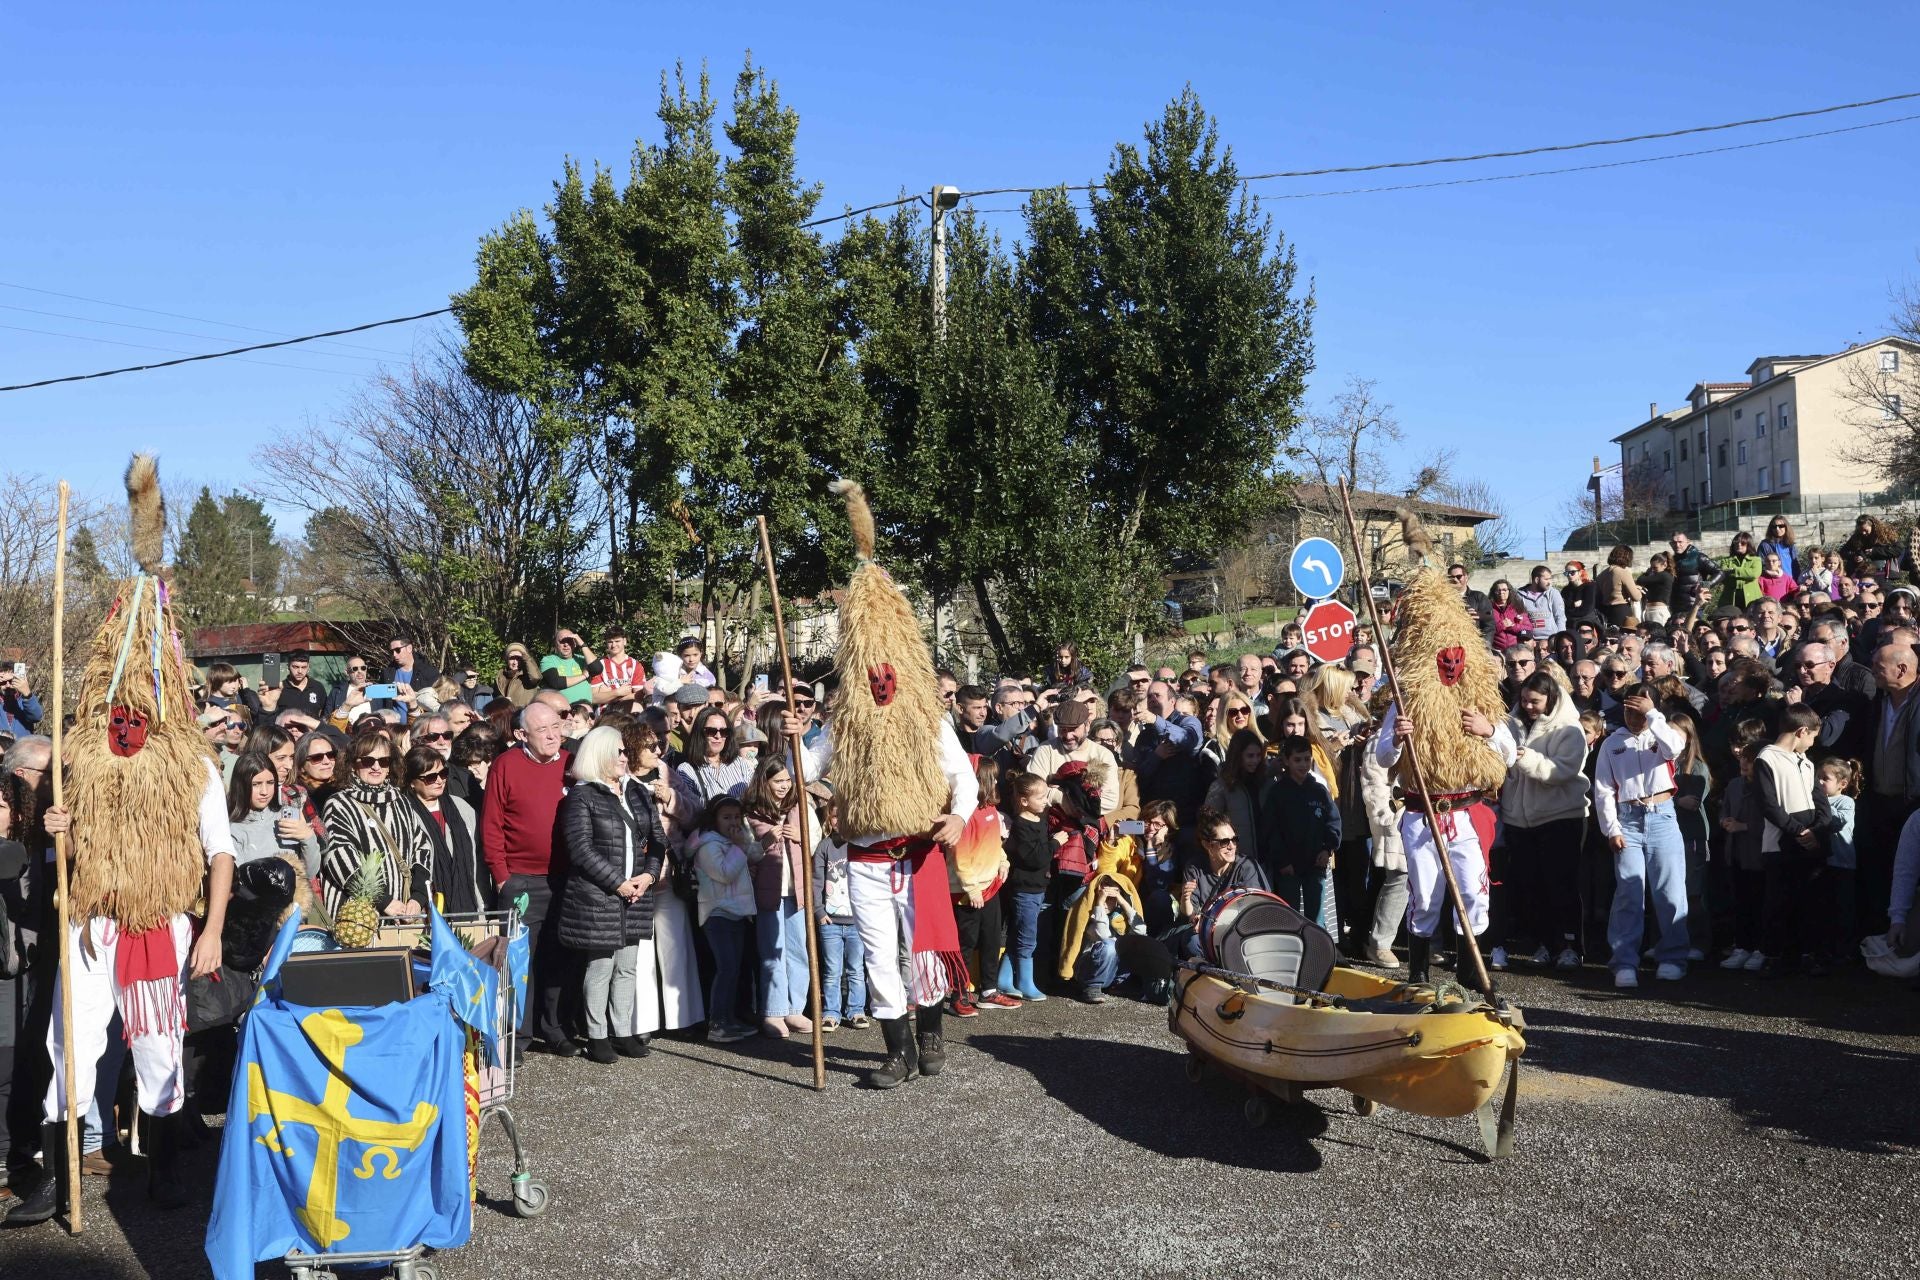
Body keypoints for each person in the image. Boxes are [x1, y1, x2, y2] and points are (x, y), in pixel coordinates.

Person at [12, 456, 236, 1227]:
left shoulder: (190, 764)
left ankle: (168, 1161)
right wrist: (55, 831)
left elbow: (221, 851)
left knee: (160, 1049)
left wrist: (208, 931)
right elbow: (51, 849)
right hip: (88, 922)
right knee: (68, 1048)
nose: (127, 713)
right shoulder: (75, 758)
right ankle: (55, 1169)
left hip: (158, 926)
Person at [556, 726, 664, 1064]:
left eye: (623, 752)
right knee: (601, 967)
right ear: (599, 754)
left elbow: (658, 837)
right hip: (599, 895)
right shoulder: (581, 795)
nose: (624, 757)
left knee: (628, 967)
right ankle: (596, 1033)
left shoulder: (637, 791)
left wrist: (648, 875)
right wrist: (618, 882)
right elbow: (581, 849)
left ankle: (622, 1030)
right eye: (617, 751)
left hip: (636, 892)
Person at [480, 700, 573, 1059]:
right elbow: (492, 825)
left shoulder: (570, 763)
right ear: (522, 734)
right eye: (543, 729)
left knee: (558, 956)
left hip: (565, 878)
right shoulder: (505, 766)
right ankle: (518, 1034)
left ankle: (554, 1026)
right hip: (520, 880)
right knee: (520, 961)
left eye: (556, 726)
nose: (552, 734)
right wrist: (502, 877)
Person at [1591, 684, 1689, 988]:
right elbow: (1604, 789)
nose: (1634, 715)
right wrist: (1612, 828)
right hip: (1628, 820)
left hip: (1663, 816)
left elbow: (1674, 749)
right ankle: (1623, 961)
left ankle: (1672, 957)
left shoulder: (1663, 733)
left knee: (1670, 891)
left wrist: (1653, 715)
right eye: (1629, 709)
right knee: (1628, 893)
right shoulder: (1611, 743)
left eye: (1640, 709)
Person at [1500, 672, 1588, 970]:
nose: (1528, 707)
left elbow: (1561, 772)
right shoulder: (1510, 725)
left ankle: (1569, 945)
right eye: (1524, 700)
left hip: (1559, 817)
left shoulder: (1570, 730)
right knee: (1530, 885)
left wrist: (1522, 757)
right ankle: (1543, 943)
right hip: (1518, 819)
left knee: (1560, 884)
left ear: (1550, 699)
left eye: (1535, 701)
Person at [1752, 704, 1834, 977]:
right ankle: (1774, 955)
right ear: (1801, 731)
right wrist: (1798, 831)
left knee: (1809, 902)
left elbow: (1820, 801)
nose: (1813, 744)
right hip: (1781, 843)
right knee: (1779, 902)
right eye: (1812, 737)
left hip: (1809, 844)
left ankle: (1806, 953)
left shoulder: (1807, 762)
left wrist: (1818, 830)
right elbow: (1769, 804)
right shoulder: (1767, 758)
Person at [318, 732, 431, 918]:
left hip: (405, 911)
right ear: (353, 764)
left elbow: (423, 848)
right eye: (368, 761)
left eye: (384, 761)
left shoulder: (401, 802)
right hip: (358, 916)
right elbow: (339, 856)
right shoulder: (339, 804)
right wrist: (383, 901)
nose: (376, 766)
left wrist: (418, 898)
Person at [743, 755, 816, 1039]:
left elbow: (818, 840)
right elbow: (746, 853)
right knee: (772, 952)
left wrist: (801, 836)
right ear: (765, 781)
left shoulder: (801, 806)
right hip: (768, 892)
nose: (784, 786)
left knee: (798, 949)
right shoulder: (751, 813)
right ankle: (773, 1011)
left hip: (796, 891)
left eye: (787, 780)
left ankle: (795, 1007)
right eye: (778, 781)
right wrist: (765, 842)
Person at [691, 795, 758, 1044]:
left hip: (736, 912)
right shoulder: (709, 845)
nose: (733, 822)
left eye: (736, 817)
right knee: (726, 968)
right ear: (714, 819)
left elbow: (755, 855)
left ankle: (729, 1019)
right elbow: (724, 874)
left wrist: (754, 842)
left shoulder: (734, 841)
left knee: (734, 969)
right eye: (726, 817)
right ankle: (717, 1022)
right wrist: (740, 847)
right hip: (717, 913)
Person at [402, 741, 488, 915]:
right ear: (412, 781)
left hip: (468, 905)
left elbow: (478, 859)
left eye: (443, 773)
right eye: (430, 777)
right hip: (423, 909)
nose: (440, 780)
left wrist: (484, 903)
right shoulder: (402, 813)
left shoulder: (462, 807)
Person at [1260, 735, 1340, 921]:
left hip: (1316, 864)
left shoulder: (1319, 791)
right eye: (1297, 760)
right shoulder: (1278, 793)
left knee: (1317, 918)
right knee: (1291, 917)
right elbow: (1270, 831)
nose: (1303, 764)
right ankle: (1294, 949)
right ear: (1286, 760)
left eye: (1306, 759)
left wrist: (1327, 849)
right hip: (1288, 867)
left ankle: (1317, 949)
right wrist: (1281, 861)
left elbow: (1333, 821)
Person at [811, 790, 869, 1031]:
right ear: (828, 819)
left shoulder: (861, 845)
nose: (839, 821)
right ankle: (831, 1012)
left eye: (844, 816)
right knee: (832, 970)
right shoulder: (825, 847)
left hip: (857, 921)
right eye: (835, 816)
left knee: (856, 969)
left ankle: (856, 1010)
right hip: (831, 922)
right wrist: (818, 910)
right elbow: (816, 880)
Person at [1178, 808, 1270, 950]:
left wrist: (1212, 924)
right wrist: (1185, 899)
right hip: (1206, 933)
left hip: (1239, 930)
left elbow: (1253, 908)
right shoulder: (1195, 867)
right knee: (1192, 940)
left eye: (1234, 839)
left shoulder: (1246, 866)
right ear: (1207, 845)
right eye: (1224, 842)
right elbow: (1191, 914)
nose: (1232, 846)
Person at [1000, 773, 1053, 1002]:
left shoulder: (1039, 820)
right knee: (1027, 937)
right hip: (1024, 889)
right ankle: (1024, 981)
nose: (1045, 801)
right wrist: (1056, 842)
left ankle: (1004, 978)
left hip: (1038, 887)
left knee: (1020, 933)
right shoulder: (1021, 825)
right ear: (1023, 800)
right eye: (1040, 797)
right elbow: (1036, 858)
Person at [226, 750, 320, 873]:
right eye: (256, 784)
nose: (264, 791)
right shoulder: (233, 829)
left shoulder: (287, 816)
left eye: (270, 783)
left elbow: (310, 872)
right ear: (241, 785)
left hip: (297, 891)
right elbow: (238, 882)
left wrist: (308, 838)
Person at [1816, 758, 1861, 967]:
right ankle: (1824, 949)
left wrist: (1820, 803)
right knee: (1823, 907)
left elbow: (1835, 822)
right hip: (1821, 864)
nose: (1820, 782)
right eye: (1818, 778)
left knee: (1843, 909)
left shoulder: (1846, 802)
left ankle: (1844, 950)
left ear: (1842, 784)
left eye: (1825, 779)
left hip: (1841, 864)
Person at [678, 705, 753, 805]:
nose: (718, 736)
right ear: (700, 733)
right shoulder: (686, 770)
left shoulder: (740, 763)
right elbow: (689, 812)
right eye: (711, 731)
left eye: (724, 731)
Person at [1594, 545, 1643, 629]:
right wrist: (1638, 589)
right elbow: (1636, 597)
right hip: (1622, 611)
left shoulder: (1601, 574)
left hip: (1606, 612)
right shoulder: (1622, 572)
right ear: (1627, 557)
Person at [1516, 565, 1567, 639]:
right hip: (1529, 640)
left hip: (1551, 639)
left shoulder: (1553, 593)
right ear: (1536, 580)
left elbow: (1560, 617)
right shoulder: (1520, 596)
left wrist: (1560, 638)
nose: (1549, 582)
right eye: (1546, 579)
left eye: (1550, 579)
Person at [1717, 532, 1763, 611]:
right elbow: (1723, 575)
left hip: (1752, 598)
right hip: (1729, 599)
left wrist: (1734, 570)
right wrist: (1746, 577)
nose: (1739, 545)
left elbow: (1754, 574)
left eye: (1743, 543)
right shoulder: (1725, 560)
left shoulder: (1756, 560)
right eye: (1736, 543)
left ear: (1748, 544)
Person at [1487, 580, 1533, 652]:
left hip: (1517, 650)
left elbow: (1528, 628)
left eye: (1504, 590)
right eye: (1498, 590)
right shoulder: (1488, 608)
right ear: (1494, 592)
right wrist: (1502, 625)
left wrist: (1512, 626)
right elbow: (1486, 630)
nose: (1501, 592)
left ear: (1509, 591)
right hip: (1497, 651)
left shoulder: (1518, 607)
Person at [1637, 553, 1676, 629]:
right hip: (1651, 610)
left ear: (1664, 565)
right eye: (1651, 568)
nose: (1653, 570)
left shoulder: (1664, 575)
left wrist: (1646, 573)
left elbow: (1640, 580)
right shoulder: (1656, 577)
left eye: (1655, 568)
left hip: (1658, 611)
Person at [1759, 516, 1803, 582]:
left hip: (1792, 581)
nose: (1777, 529)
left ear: (1786, 527)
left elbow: (1796, 566)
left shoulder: (1791, 545)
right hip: (1775, 582)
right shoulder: (1765, 545)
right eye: (1774, 527)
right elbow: (1761, 565)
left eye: (1781, 526)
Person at [1560, 561, 1599, 627]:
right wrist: (1574, 604)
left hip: (1587, 624)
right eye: (1567, 573)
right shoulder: (1565, 590)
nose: (1569, 575)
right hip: (1570, 625)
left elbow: (1587, 609)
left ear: (1580, 572)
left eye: (1572, 572)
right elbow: (1564, 610)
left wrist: (1570, 606)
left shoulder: (1590, 587)